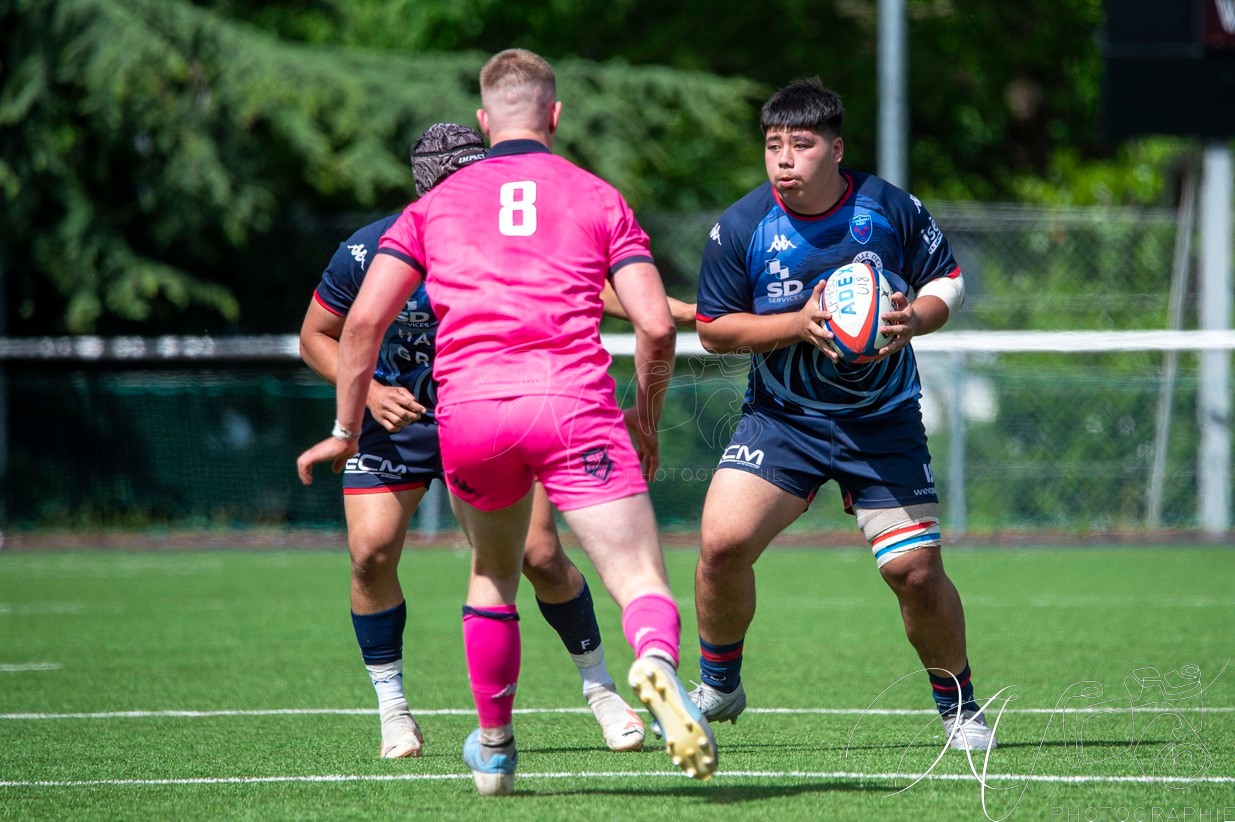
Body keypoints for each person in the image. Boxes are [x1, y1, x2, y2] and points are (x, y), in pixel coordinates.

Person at [297, 49, 717, 795]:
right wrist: (645, 418)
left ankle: (493, 749)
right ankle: (651, 661)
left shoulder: (433, 209)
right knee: (637, 578)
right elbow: (653, 325)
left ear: (485, 122)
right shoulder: (594, 193)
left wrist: (343, 425)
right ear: (554, 116)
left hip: (471, 412)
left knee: (493, 574)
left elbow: (358, 327)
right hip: (573, 405)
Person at [691, 77, 996, 751]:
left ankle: (960, 707)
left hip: (878, 419)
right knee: (719, 547)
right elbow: (713, 329)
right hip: (782, 419)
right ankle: (719, 683)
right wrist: (798, 324)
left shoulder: (887, 207)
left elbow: (946, 278)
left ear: (835, 149)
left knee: (913, 573)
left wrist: (914, 318)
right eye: (772, 146)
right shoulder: (741, 226)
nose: (783, 160)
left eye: (800, 145)